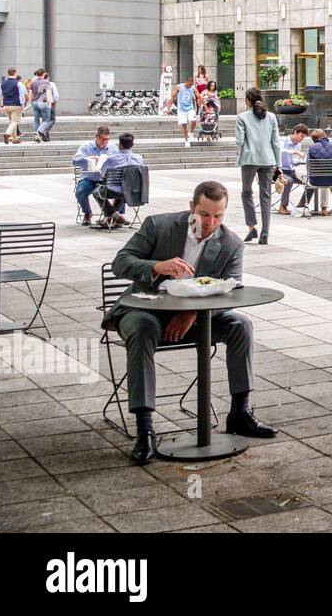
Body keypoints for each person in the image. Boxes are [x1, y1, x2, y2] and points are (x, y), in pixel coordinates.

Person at [108, 180, 276, 465]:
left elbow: (230, 290)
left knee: (240, 325)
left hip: (197, 317)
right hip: (145, 309)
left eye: (218, 216)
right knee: (142, 328)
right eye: (204, 214)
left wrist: (192, 314)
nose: (210, 222)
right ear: (191, 208)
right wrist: (155, 266)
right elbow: (120, 262)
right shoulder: (158, 226)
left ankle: (240, 413)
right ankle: (145, 430)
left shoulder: (231, 243)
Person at [235, 87, 281, 245]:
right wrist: (278, 164)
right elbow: (276, 142)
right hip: (268, 160)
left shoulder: (242, 117)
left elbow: (239, 141)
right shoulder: (272, 117)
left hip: (249, 159)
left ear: (248, 100)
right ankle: (265, 233)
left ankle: (251, 225)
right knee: (266, 196)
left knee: (246, 192)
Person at [94, 132, 145, 226]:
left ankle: (113, 216)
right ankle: (115, 217)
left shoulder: (112, 159)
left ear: (120, 145)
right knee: (125, 187)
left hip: (114, 191)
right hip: (133, 191)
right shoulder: (139, 158)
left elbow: (102, 174)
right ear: (132, 144)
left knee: (96, 192)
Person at [73, 125, 116, 227]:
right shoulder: (86, 146)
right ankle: (87, 213)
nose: (105, 141)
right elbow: (75, 161)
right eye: (102, 139)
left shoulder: (112, 148)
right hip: (89, 179)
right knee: (80, 191)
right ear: (97, 136)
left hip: (105, 179)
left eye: (107, 139)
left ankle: (117, 215)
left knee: (121, 188)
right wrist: (90, 158)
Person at [302, 130, 332, 214]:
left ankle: (302, 205)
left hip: (314, 181)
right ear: (325, 135)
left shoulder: (311, 148)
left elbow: (308, 166)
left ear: (313, 140)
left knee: (303, 174)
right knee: (326, 177)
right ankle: (324, 208)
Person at [277, 124, 309, 213]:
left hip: (290, 170)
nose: (302, 139)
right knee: (289, 181)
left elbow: (293, 160)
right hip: (276, 170)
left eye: (304, 137)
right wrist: (295, 152)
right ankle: (283, 206)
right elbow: (281, 151)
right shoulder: (282, 141)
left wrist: (300, 161)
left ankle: (301, 205)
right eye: (301, 136)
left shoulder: (298, 144)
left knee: (310, 180)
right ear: (295, 132)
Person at [168, 76, 199, 146]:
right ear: (186, 82)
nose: (190, 86)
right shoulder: (179, 87)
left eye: (191, 84)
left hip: (190, 108)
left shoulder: (193, 88)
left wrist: (206, 107)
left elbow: (199, 97)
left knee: (193, 121)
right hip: (181, 109)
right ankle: (186, 140)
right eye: (189, 84)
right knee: (184, 124)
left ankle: (191, 132)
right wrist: (168, 108)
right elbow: (172, 98)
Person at [1, 66, 26, 144]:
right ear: (15, 73)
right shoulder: (19, 84)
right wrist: (23, 106)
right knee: (15, 121)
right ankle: (7, 134)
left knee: (12, 122)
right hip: (16, 105)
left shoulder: (2, 83)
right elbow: (22, 96)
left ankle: (15, 139)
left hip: (6, 105)